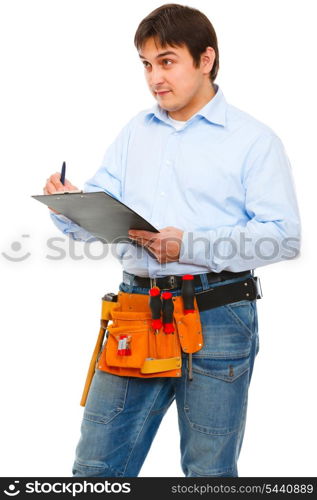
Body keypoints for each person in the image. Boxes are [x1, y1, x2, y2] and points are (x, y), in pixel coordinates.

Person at [43, 4, 301, 477]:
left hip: (218, 317)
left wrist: (190, 246)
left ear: (205, 59)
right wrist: (70, 207)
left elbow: (282, 238)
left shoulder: (253, 140)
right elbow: (106, 212)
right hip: (136, 310)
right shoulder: (133, 133)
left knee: (208, 474)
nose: (154, 77)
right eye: (145, 64)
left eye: (166, 61)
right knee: (95, 468)